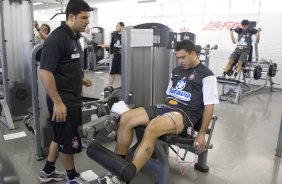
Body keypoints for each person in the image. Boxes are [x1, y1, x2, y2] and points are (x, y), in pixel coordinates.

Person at [100, 40, 219, 184]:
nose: (180, 61)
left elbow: (209, 107)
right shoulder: (176, 71)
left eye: (183, 57)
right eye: (178, 58)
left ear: (193, 53)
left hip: (183, 114)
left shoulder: (207, 75)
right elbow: (169, 95)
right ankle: (117, 166)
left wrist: (201, 134)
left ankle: (124, 177)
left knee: (153, 127)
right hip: (166, 108)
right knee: (126, 118)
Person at [37, 0, 92, 184]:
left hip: (71, 97)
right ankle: (72, 177)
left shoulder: (74, 36)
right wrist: (58, 102)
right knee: (67, 142)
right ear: (71, 16)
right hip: (63, 100)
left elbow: (66, 65)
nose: (87, 21)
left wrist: (81, 79)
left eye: (88, 17)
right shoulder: (57, 39)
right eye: (84, 17)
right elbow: (45, 71)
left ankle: (47, 172)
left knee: (60, 136)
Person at [107, 22, 125, 89]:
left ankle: (123, 86)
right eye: (116, 26)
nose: (116, 27)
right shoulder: (114, 35)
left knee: (122, 72)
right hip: (115, 56)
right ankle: (109, 86)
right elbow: (111, 45)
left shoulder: (125, 35)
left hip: (123, 57)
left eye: (117, 26)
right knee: (112, 71)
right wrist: (111, 53)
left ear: (122, 27)